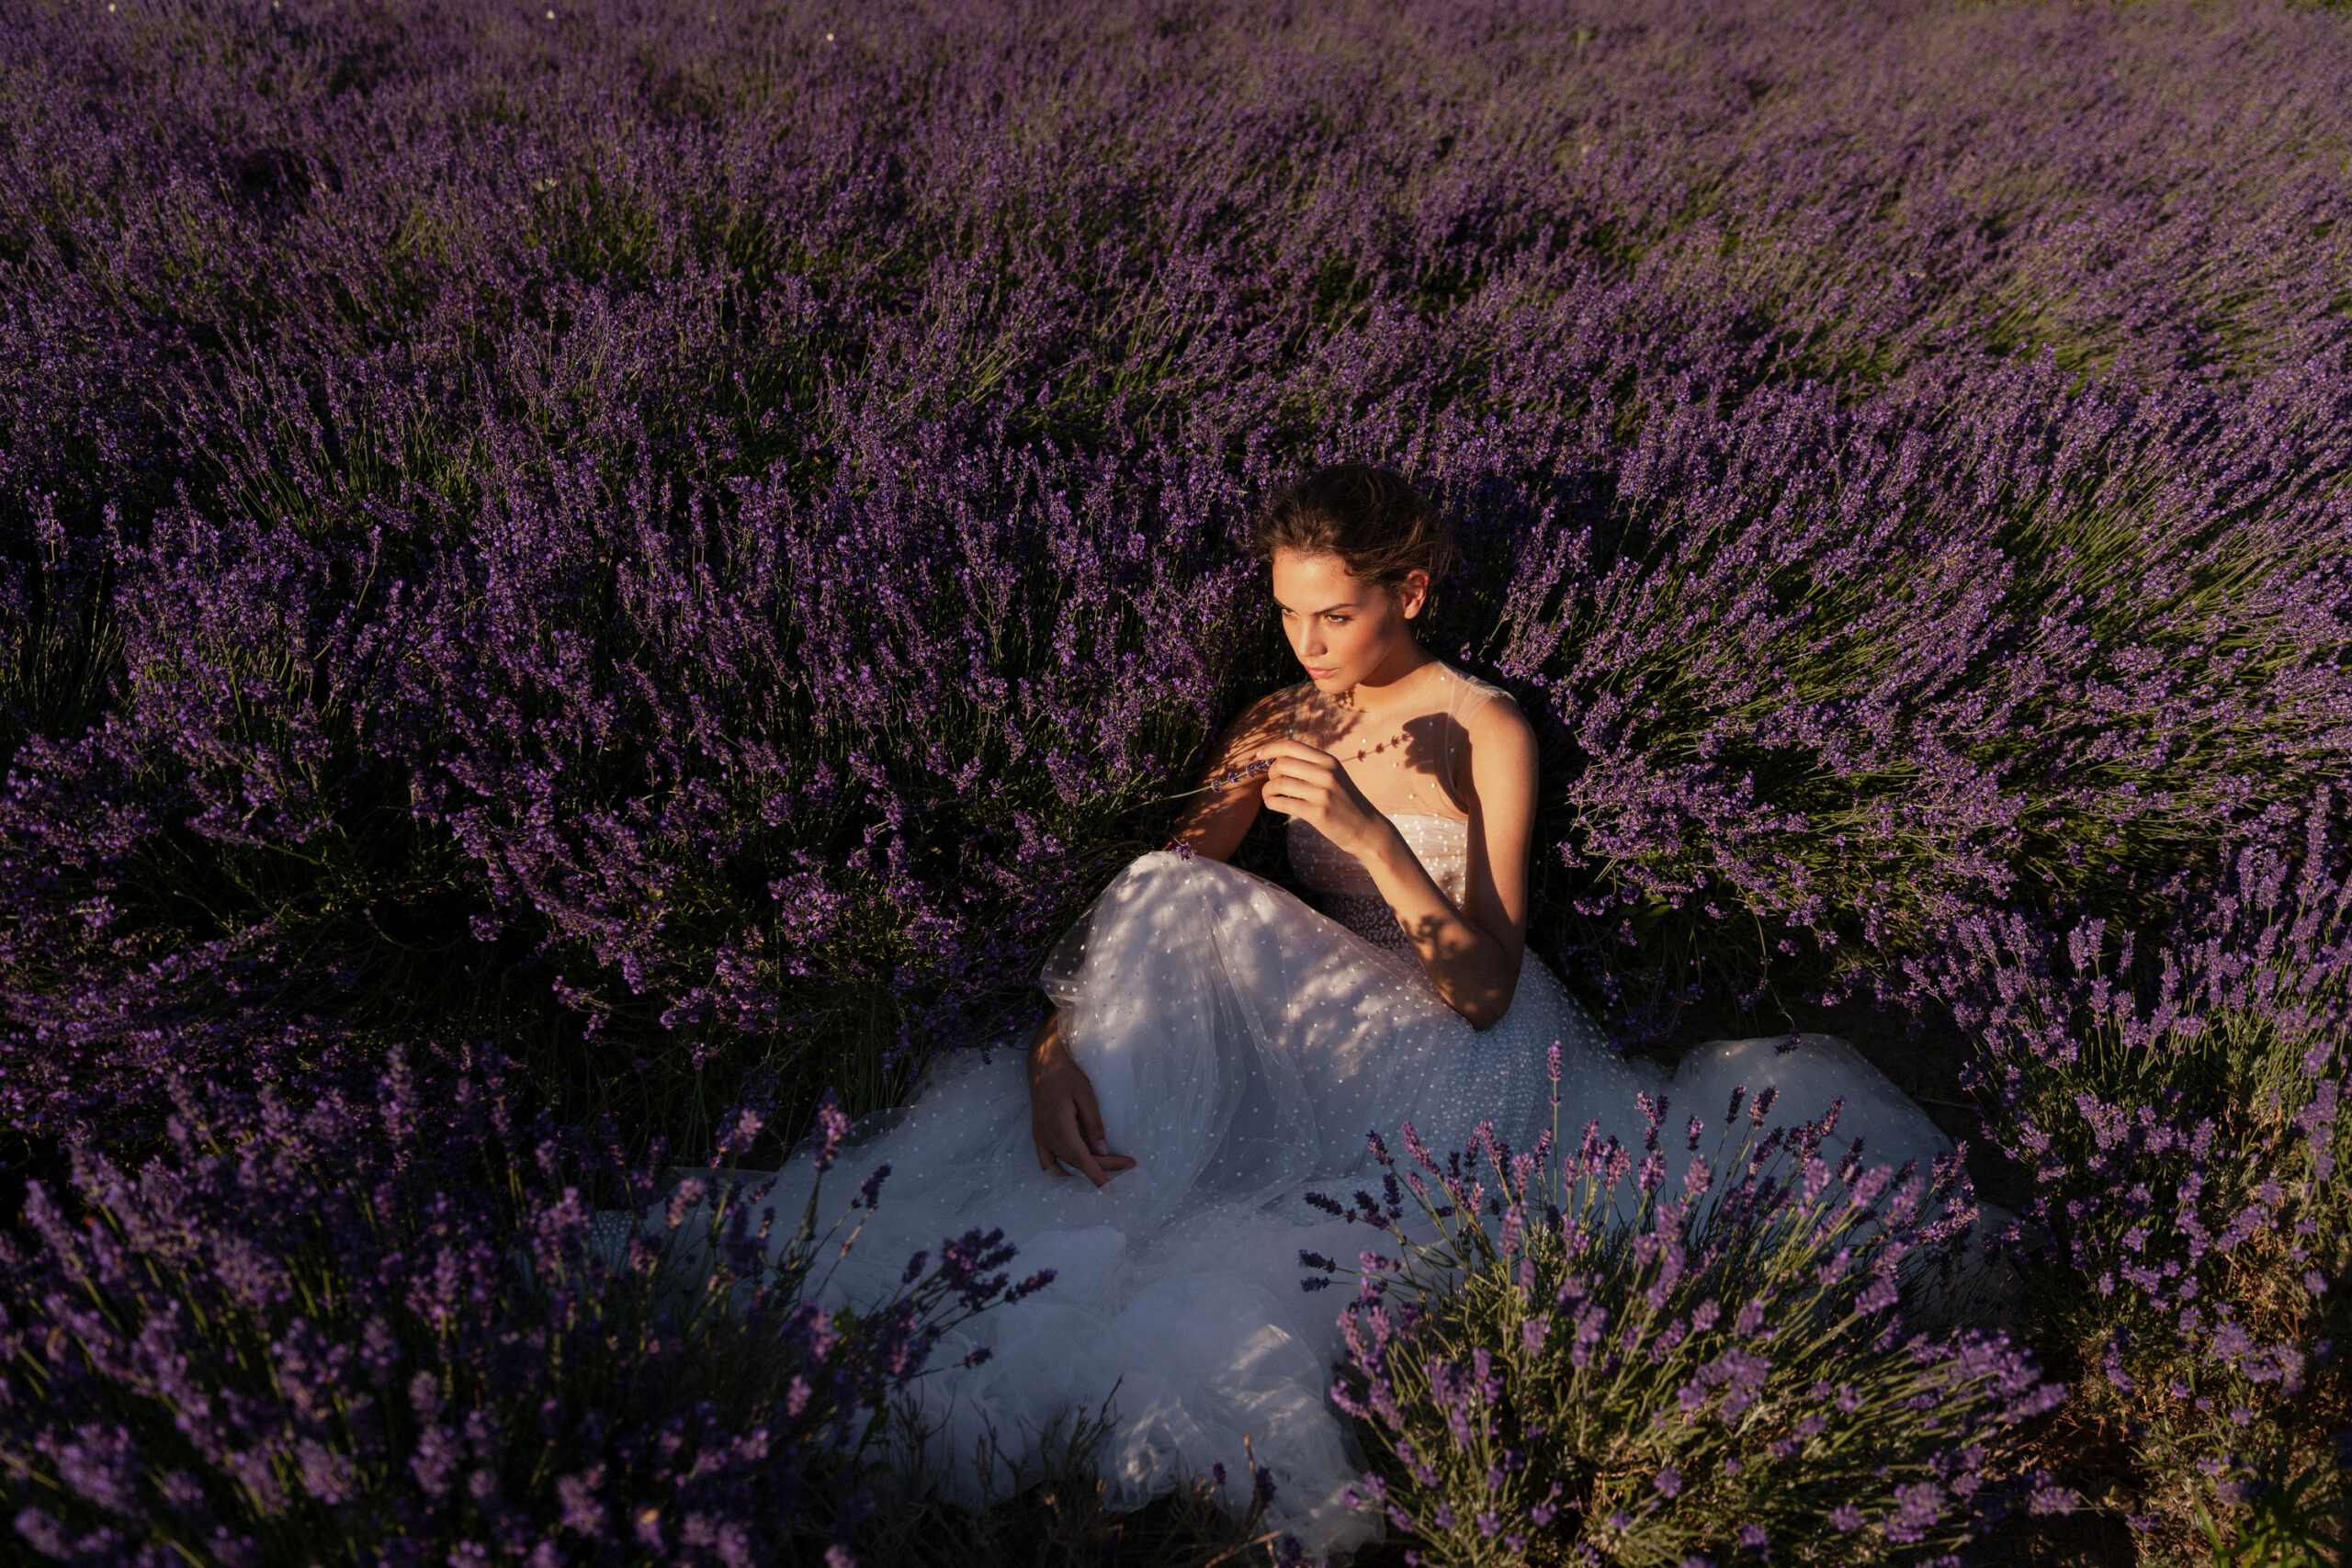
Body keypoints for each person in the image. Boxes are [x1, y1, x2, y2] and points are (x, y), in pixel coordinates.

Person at [752, 465, 1958, 1558]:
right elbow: (1153, 904)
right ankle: (1104, 1176)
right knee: (1173, 887)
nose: (1308, 640)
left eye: (1336, 612)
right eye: (1288, 611)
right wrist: (1056, 1038)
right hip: (1335, 1014)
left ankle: (1148, 1227)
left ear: (1412, 594)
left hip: (1459, 1042)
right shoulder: (1280, 719)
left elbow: (1484, 985)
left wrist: (1369, 834)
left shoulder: (1485, 727)